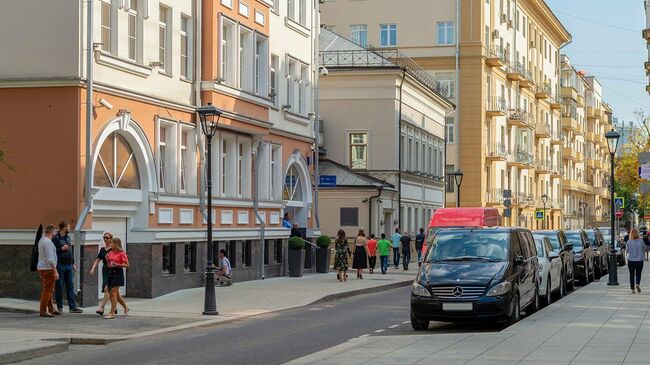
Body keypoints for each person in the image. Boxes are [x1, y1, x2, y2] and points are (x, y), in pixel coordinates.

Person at [90, 232, 127, 316]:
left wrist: (116, 264)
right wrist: (93, 268)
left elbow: (123, 260)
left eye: (107, 238)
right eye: (104, 238)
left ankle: (102, 307)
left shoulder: (114, 249)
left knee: (108, 289)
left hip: (113, 270)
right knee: (115, 294)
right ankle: (122, 308)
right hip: (105, 270)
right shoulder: (103, 249)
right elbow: (98, 259)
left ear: (111, 239)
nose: (105, 239)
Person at [52, 221, 82, 313]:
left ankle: (72, 307)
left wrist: (73, 263)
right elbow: (53, 252)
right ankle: (60, 307)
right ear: (63, 228)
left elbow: (70, 251)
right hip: (60, 265)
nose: (69, 228)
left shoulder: (68, 238)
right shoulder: (56, 238)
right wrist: (61, 249)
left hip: (68, 265)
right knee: (59, 286)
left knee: (70, 285)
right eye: (68, 227)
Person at [37, 225, 60, 317]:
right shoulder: (48, 242)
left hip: (43, 268)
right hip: (48, 269)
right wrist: (55, 271)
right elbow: (50, 259)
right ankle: (43, 310)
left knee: (48, 289)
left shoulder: (42, 240)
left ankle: (51, 309)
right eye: (54, 232)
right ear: (52, 232)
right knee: (48, 290)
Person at [104, 238, 129, 319]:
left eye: (112, 243)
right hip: (111, 273)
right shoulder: (110, 253)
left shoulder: (122, 253)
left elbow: (127, 265)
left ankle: (111, 313)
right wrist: (107, 260)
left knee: (113, 292)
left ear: (116, 244)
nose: (110, 244)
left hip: (118, 273)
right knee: (116, 295)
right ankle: (126, 308)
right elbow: (109, 266)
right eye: (110, 243)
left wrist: (117, 264)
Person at [627, 229, 645, 294]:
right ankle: (637, 283)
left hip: (631, 260)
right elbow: (644, 249)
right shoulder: (641, 241)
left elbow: (627, 251)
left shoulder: (629, 241)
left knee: (631, 275)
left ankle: (632, 289)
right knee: (638, 273)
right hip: (639, 260)